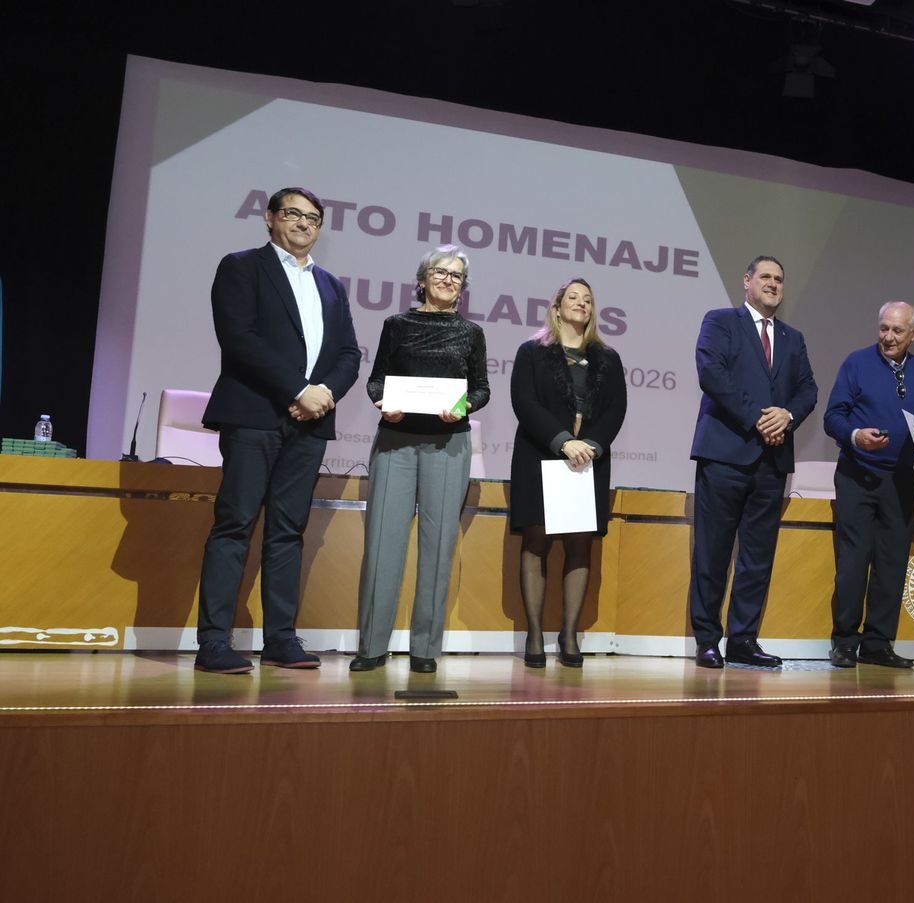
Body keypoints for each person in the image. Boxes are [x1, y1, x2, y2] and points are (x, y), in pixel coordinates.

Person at [195, 187, 360, 674]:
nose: (304, 223)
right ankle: (213, 642)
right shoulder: (241, 266)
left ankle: (280, 638)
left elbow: (349, 353)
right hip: (254, 416)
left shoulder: (330, 284)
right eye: (293, 213)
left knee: (289, 532)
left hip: (309, 426)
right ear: (270, 218)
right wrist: (297, 388)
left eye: (313, 218)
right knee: (235, 524)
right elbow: (239, 338)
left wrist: (325, 393)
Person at [350, 246, 490, 674]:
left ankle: (425, 649)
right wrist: (382, 402)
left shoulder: (471, 333)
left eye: (457, 276)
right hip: (395, 441)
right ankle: (371, 646)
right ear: (423, 277)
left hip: (448, 445)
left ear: (463, 288)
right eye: (441, 272)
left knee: (438, 546)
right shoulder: (396, 325)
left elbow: (481, 388)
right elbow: (377, 379)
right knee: (381, 545)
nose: (448, 280)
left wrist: (464, 405)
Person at [687, 256, 818, 669]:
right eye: (765, 277)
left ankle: (743, 639)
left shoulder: (793, 338)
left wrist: (789, 416)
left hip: (771, 462)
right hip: (725, 455)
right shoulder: (720, 321)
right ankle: (708, 639)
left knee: (757, 557)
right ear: (746, 281)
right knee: (713, 553)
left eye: (780, 279)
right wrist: (760, 417)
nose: (773, 284)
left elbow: (808, 389)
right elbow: (712, 375)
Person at [508, 278, 628, 669]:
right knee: (537, 542)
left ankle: (570, 634)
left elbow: (616, 410)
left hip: (588, 462)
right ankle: (535, 633)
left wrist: (590, 445)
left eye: (588, 299)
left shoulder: (608, 358)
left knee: (580, 545)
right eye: (573, 298)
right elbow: (524, 403)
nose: (581, 304)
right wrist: (562, 441)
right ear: (557, 307)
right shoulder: (532, 352)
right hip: (540, 457)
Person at [824, 301, 914, 668]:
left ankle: (878, 643)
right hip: (857, 475)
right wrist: (856, 435)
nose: (888, 337)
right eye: (883, 329)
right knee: (854, 561)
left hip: (899, 480)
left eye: (897, 330)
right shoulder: (856, 362)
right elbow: (833, 417)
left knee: (892, 563)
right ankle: (845, 641)